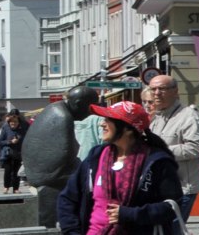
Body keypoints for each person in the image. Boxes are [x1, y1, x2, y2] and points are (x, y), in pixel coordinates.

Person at [55, 101, 183, 235]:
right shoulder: (96, 157)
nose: (102, 124)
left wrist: (131, 214)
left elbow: (172, 206)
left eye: (108, 120)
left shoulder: (157, 161)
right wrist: (72, 231)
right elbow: (67, 198)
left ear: (128, 129)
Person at [26, 86, 101, 227]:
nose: (91, 112)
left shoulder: (54, 108)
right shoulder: (63, 117)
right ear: (78, 103)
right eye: (90, 107)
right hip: (48, 176)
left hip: (45, 171)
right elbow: (65, 151)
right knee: (90, 182)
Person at [143, 76, 199, 216]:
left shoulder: (189, 116)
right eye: (153, 89)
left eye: (162, 89)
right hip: (161, 185)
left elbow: (197, 148)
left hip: (183, 186)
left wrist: (160, 152)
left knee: (174, 227)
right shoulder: (156, 117)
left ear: (175, 91)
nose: (157, 93)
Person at [0, 112, 26, 194]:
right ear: (9, 122)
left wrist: (19, 141)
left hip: (18, 153)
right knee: (7, 171)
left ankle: (16, 188)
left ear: (18, 123)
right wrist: (10, 142)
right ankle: (6, 187)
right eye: (12, 122)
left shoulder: (22, 130)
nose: (13, 124)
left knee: (16, 172)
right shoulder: (5, 128)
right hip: (7, 153)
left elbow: (25, 141)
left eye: (15, 122)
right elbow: (0, 141)